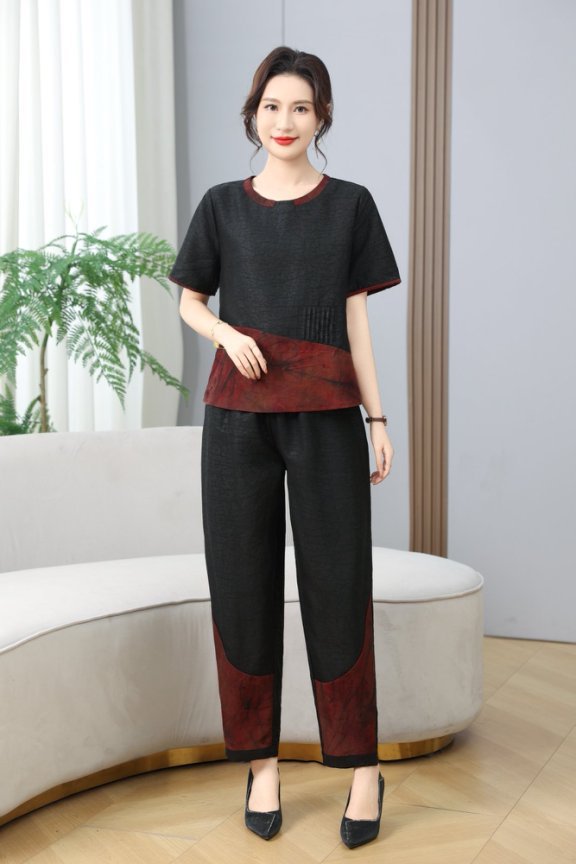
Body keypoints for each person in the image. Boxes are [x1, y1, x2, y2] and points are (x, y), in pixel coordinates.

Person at [170, 45, 401, 849]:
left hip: (328, 417)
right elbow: (189, 301)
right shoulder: (220, 207)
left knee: (340, 585)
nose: (285, 121)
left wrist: (378, 419)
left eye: (301, 107)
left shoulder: (352, 206)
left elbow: (356, 324)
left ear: (322, 116)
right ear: (254, 113)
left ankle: (363, 769)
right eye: (273, 106)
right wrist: (225, 333)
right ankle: (260, 764)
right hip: (236, 421)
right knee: (242, 585)